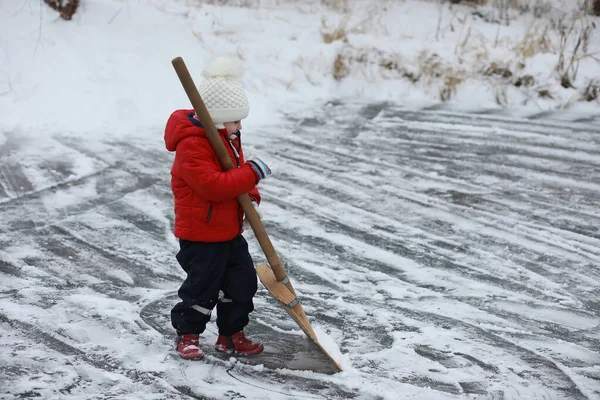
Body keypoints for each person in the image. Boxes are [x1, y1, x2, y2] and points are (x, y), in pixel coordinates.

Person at [164, 57, 272, 360]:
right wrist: (252, 173)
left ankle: (231, 335)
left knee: (242, 284)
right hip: (201, 235)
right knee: (202, 288)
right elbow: (213, 184)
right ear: (217, 118)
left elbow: (233, 173)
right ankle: (188, 334)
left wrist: (250, 194)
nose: (240, 127)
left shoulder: (228, 137)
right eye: (236, 120)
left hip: (228, 232)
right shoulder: (191, 146)